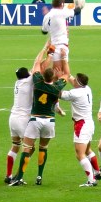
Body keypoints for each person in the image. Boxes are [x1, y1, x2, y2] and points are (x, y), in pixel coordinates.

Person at [9, 58, 67, 186]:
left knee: (27, 148)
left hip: (35, 120)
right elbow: (67, 75)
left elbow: (36, 65)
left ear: (42, 76)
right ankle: (39, 176)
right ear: (53, 77)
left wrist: (47, 52)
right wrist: (63, 59)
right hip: (50, 121)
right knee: (43, 148)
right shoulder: (56, 88)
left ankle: (19, 177)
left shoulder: (37, 83)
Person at [5, 43, 52, 184]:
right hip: (22, 119)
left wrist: (48, 55)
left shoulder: (19, 82)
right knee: (29, 148)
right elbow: (39, 64)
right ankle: (18, 176)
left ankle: (8, 175)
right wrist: (46, 49)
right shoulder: (29, 81)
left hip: (12, 118)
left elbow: (39, 66)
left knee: (15, 145)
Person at [60, 72, 101, 187]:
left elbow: (58, 93)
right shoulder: (87, 88)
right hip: (89, 123)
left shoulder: (75, 93)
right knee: (88, 150)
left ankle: (91, 180)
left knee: (80, 154)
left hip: (82, 125)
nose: (73, 80)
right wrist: (66, 73)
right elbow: (72, 79)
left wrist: (57, 81)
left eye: (75, 80)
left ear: (78, 83)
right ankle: (97, 172)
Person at [41, 0, 81, 80]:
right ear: (62, 4)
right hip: (60, 47)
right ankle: (50, 88)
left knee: (60, 73)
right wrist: (79, 5)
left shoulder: (47, 16)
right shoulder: (61, 12)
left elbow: (44, 31)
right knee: (60, 75)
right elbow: (77, 11)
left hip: (54, 45)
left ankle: (51, 87)